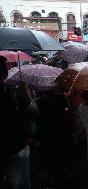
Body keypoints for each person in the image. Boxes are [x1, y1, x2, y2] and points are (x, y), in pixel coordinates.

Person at [0, 56, 37, 189]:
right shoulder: (14, 93)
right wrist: (27, 92)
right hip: (15, 146)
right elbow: (34, 111)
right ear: (5, 74)